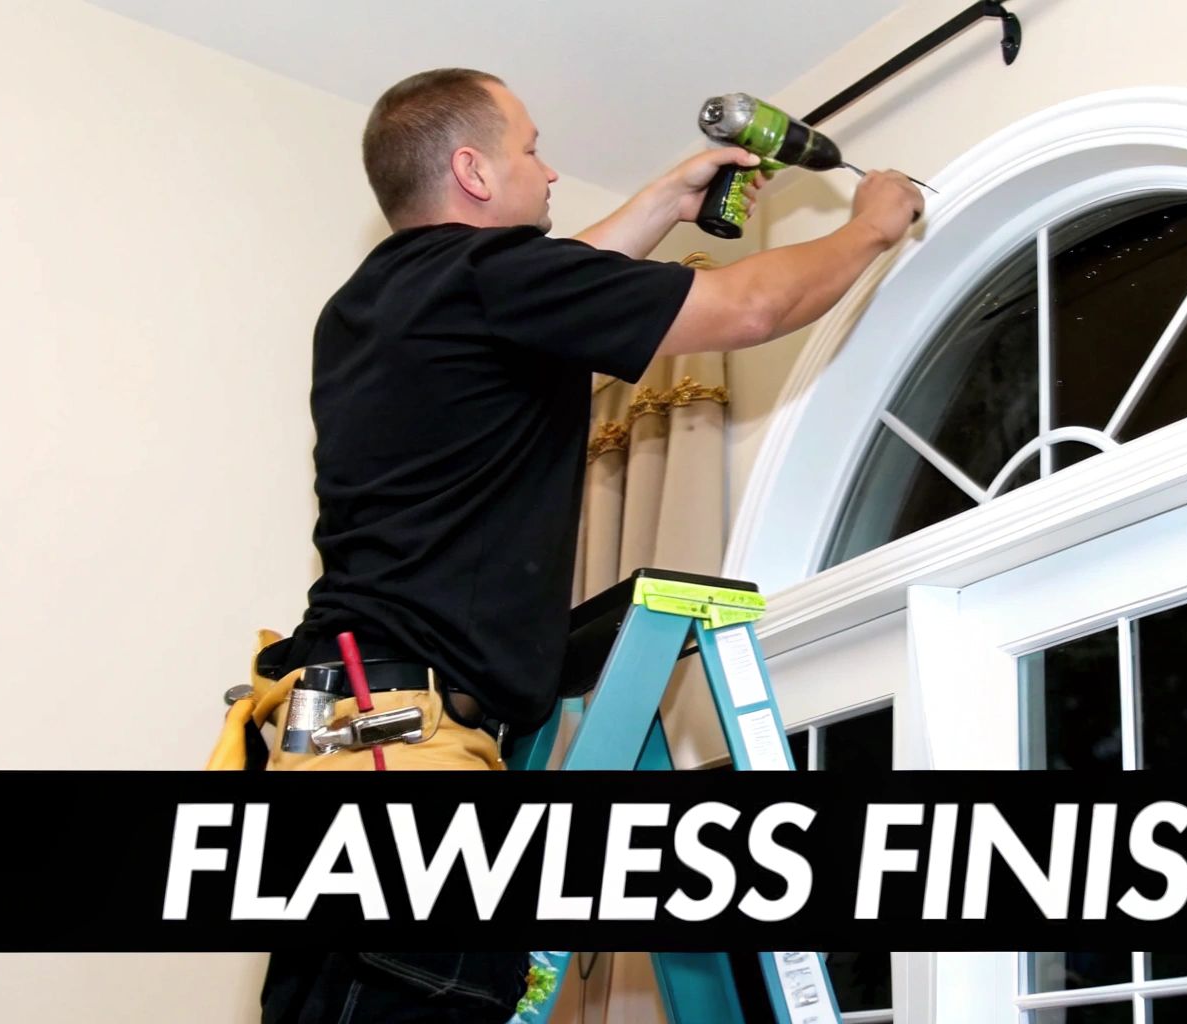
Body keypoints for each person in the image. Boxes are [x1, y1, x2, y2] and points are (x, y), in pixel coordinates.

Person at [253, 68, 923, 1023]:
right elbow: (747, 312)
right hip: (403, 764)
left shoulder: (375, 301)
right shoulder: (490, 280)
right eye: (531, 147)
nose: (551, 166)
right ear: (473, 170)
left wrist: (660, 203)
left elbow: (547, 296)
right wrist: (870, 226)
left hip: (336, 739)